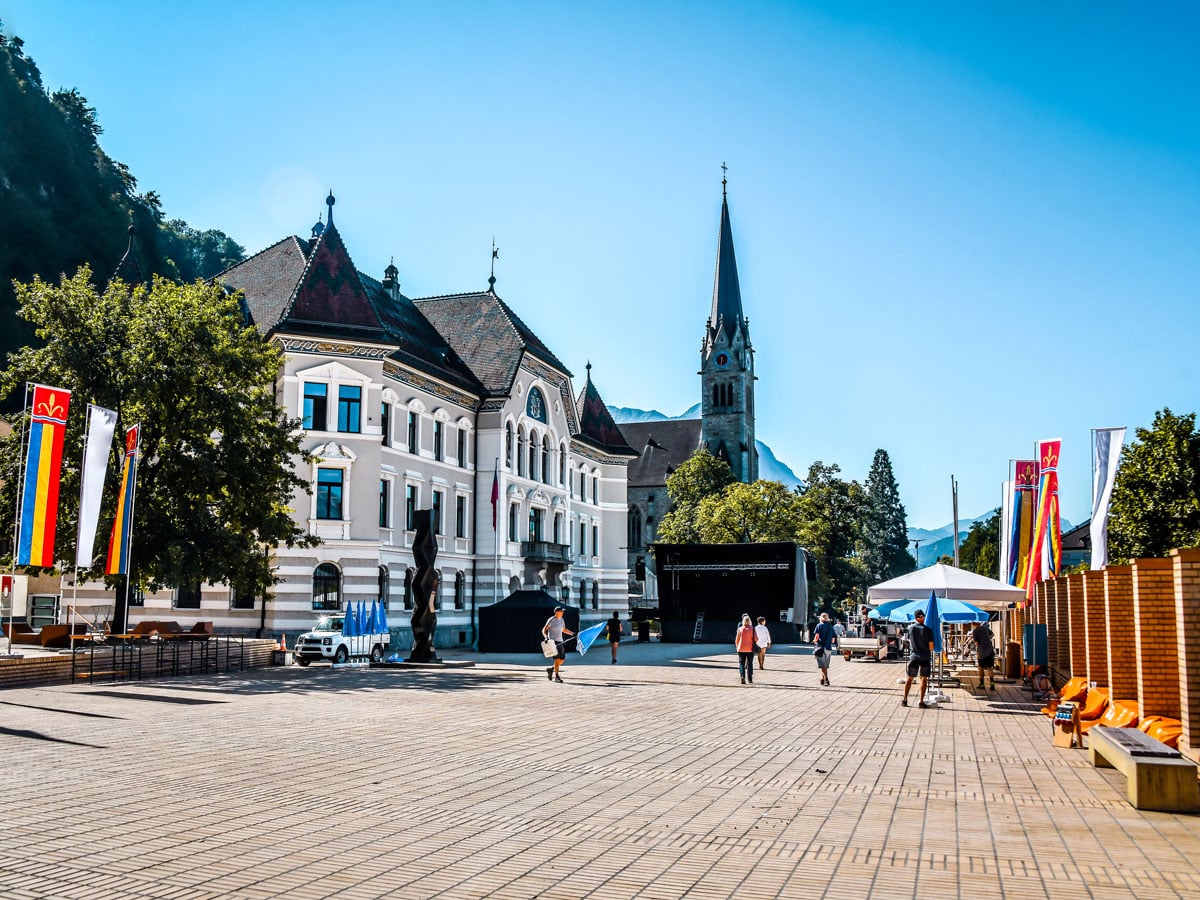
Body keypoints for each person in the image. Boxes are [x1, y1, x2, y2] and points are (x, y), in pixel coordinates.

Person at [902, 610, 935, 708]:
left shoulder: (910, 628)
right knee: (924, 679)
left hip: (914, 656)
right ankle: (921, 701)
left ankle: (905, 699)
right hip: (925, 657)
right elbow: (931, 647)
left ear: (915, 618)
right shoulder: (928, 630)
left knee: (909, 678)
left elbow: (907, 640)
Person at [542, 607, 574, 683]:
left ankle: (551, 669)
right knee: (556, 660)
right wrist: (546, 637)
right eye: (561, 611)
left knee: (562, 660)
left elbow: (563, 629)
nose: (563, 613)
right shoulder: (551, 620)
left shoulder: (562, 619)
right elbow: (544, 630)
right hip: (553, 642)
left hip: (560, 642)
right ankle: (557, 676)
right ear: (556, 612)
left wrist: (572, 633)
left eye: (562, 612)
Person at [969, 620, 996, 691]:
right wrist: (987, 639)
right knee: (990, 667)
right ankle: (992, 683)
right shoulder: (985, 628)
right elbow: (992, 635)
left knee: (981, 668)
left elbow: (977, 643)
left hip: (982, 652)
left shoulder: (975, 631)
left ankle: (982, 684)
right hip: (990, 650)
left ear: (973, 624)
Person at [813, 612, 837, 686]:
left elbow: (817, 636)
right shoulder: (831, 627)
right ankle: (823, 679)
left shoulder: (819, 626)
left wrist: (814, 641)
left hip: (820, 647)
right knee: (825, 666)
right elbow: (833, 640)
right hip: (828, 648)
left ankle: (826, 679)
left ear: (821, 619)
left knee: (822, 666)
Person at [735, 614, 756, 684]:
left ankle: (742, 676)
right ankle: (750, 679)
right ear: (749, 621)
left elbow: (736, 640)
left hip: (741, 649)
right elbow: (756, 639)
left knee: (741, 663)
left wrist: (737, 647)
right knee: (750, 664)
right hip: (750, 649)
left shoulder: (740, 629)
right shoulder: (753, 629)